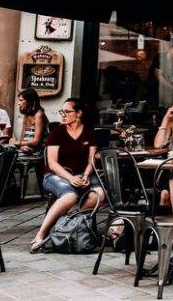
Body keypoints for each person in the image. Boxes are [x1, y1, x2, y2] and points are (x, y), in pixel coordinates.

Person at [30, 98, 103, 252]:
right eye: (61, 111)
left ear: (79, 114)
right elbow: (52, 163)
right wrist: (70, 178)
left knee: (99, 193)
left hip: (81, 173)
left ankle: (73, 225)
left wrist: (86, 175)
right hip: (55, 175)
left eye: (67, 111)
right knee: (70, 196)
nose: (63, 115)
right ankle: (41, 234)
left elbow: (92, 160)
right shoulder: (57, 133)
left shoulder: (89, 132)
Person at [9, 87, 48, 153]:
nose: (18, 103)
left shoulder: (39, 115)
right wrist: (21, 146)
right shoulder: (26, 115)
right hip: (27, 149)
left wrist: (16, 143)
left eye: (21, 100)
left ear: (29, 102)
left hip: (39, 152)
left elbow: (36, 142)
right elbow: (23, 138)